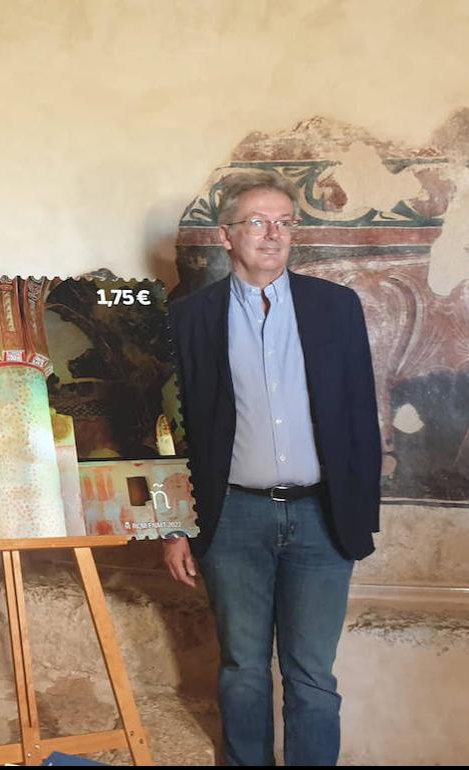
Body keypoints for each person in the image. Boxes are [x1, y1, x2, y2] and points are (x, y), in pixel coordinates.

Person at [164, 170, 381, 765]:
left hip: (321, 518)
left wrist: (359, 514)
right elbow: (173, 431)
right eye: (258, 222)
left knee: (312, 676)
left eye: (284, 222)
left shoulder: (335, 308)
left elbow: (360, 415)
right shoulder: (189, 319)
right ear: (227, 235)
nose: (273, 234)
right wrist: (175, 526)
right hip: (232, 518)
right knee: (242, 668)